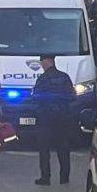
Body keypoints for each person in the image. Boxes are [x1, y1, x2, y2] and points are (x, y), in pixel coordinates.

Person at [31, 53, 76, 185]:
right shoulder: (64, 77)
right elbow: (73, 96)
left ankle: (46, 177)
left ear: (46, 62)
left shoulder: (43, 79)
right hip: (63, 118)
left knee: (44, 149)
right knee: (63, 147)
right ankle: (64, 177)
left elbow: (36, 98)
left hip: (46, 119)